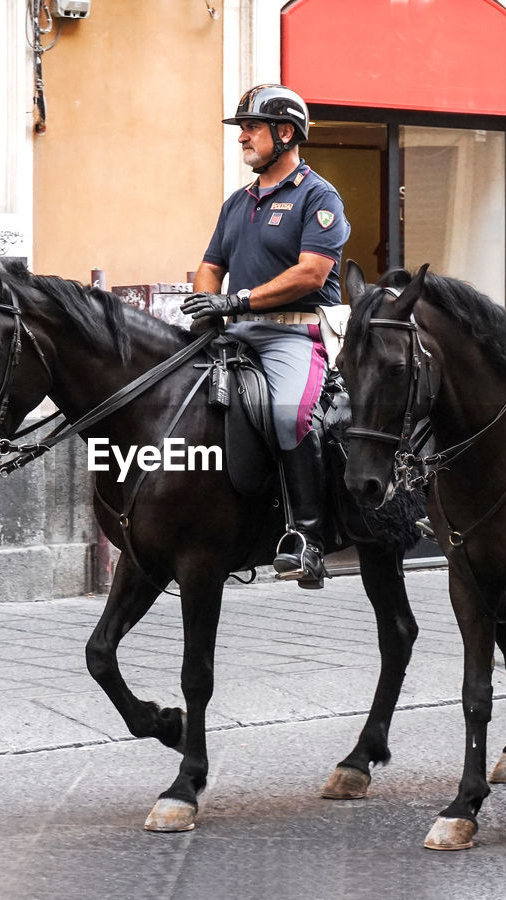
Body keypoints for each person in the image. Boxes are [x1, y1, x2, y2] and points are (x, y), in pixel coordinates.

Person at [181, 84, 351, 588]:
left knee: (287, 413)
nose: (243, 138)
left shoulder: (318, 196)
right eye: (242, 129)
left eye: (251, 127)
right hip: (234, 332)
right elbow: (211, 267)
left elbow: (311, 274)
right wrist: (206, 309)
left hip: (294, 334)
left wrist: (237, 301)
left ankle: (309, 539)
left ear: (285, 133)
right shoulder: (238, 203)